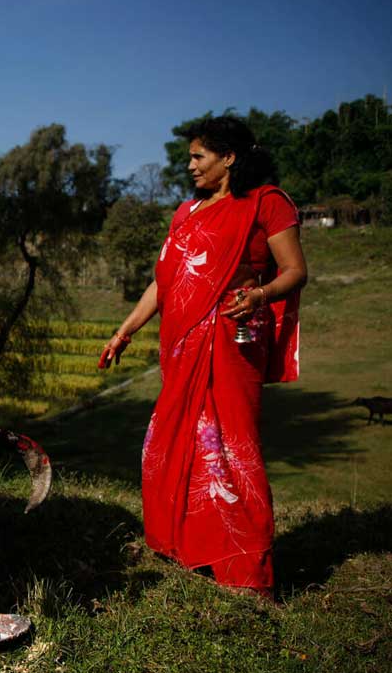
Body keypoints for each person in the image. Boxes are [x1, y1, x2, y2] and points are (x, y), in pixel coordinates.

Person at [99, 116, 308, 598]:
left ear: (229, 157)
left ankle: (245, 567)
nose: (189, 165)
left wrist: (261, 296)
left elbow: (295, 271)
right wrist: (124, 331)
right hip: (180, 345)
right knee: (172, 443)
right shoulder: (186, 213)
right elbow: (164, 282)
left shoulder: (266, 204)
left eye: (199, 156)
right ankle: (187, 548)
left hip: (233, 341)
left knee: (230, 447)